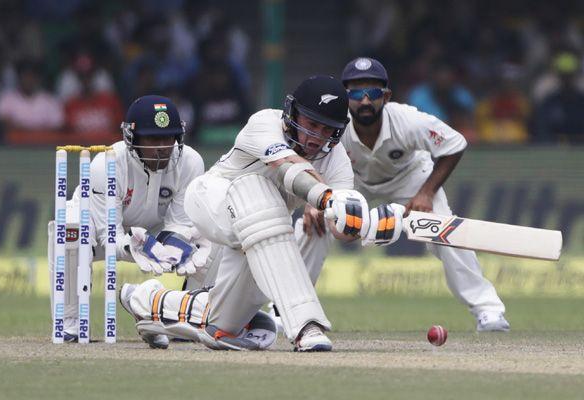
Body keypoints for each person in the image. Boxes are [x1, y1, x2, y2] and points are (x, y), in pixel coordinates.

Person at [118, 75, 404, 352]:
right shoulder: (265, 122)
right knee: (258, 191)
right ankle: (306, 324)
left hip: (258, 234)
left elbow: (339, 227)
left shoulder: (336, 159)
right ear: (292, 113)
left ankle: (147, 301)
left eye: (328, 129)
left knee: (223, 326)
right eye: (312, 124)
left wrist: (367, 226)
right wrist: (329, 198)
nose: (318, 137)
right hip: (211, 202)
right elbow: (288, 167)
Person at [299, 58, 509, 332]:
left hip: (408, 179)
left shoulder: (408, 120)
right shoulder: (334, 124)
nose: (364, 101)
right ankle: (287, 311)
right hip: (351, 180)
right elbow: (311, 155)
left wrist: (426, 192)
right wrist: (312, 201)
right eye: (355, 93)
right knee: (311, 226)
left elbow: (455, 144)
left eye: (372, 93)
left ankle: (489, 312)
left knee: (446, 231)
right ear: (344, 96)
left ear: (386, 96)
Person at [48, 95, 214, 347]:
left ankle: (184, 318)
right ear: (132, 139)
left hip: (153, 228)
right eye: (153, 139)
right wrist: (133, 246)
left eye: (168, 138)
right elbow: (108, 234)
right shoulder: (106, 164)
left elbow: (179, 223)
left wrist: (174, 244)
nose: (162, 147)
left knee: (210, 239)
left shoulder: (190, 162)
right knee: (68, 231)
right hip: (96, 227)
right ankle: (70, 324)